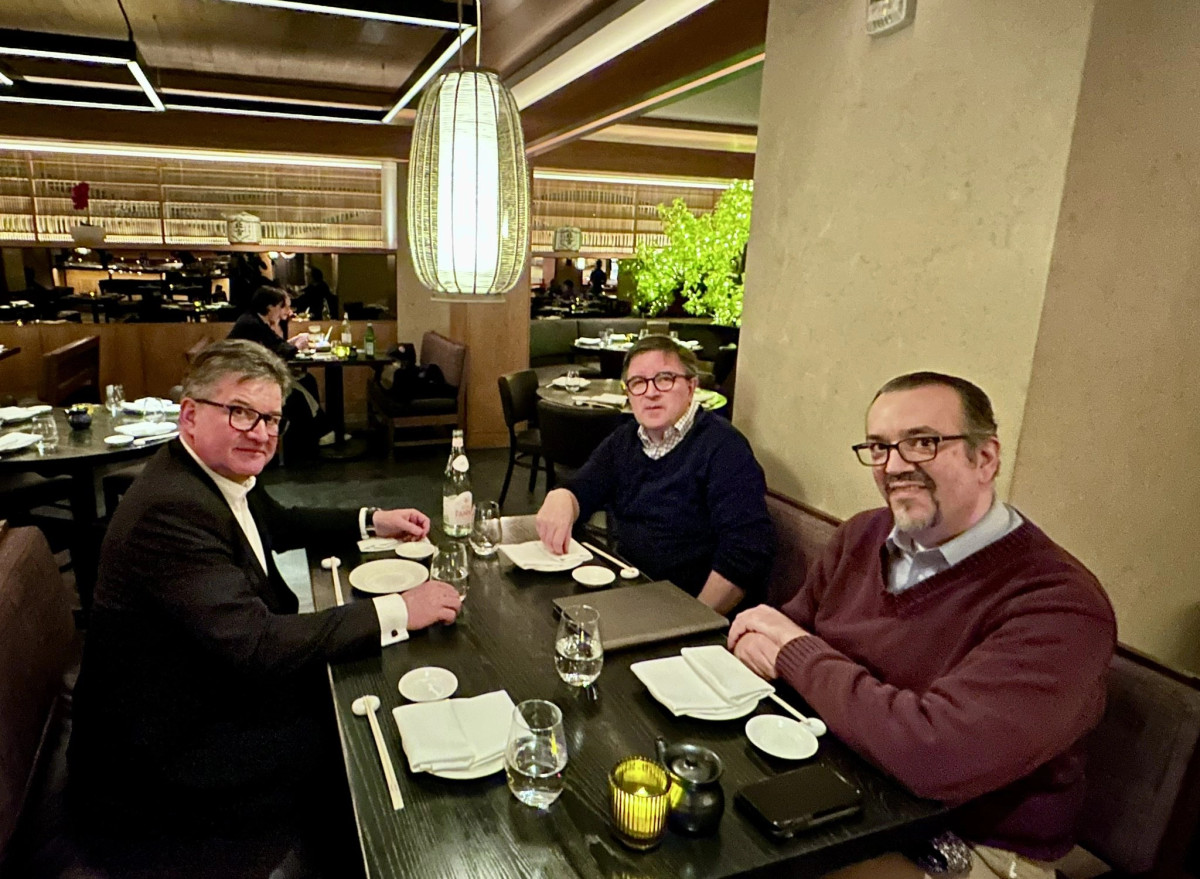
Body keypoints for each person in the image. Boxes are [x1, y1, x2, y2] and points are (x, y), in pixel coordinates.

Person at [68, 340, 462, 870]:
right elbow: (256, 643)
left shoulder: (213, 473)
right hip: (161, 759)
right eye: (240, 412)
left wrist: (373, 520)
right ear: (190, 415)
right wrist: (399, 611)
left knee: (356, 698)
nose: (260, 432)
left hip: (201, 693)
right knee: (359, 747)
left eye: (271, 419)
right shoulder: (171, 509)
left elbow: (282, 521)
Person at [727, 372, 1116, 878]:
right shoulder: (862, 535)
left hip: (970, 845)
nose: (894, 466)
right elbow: (775, 636)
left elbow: (934, 756)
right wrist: (780, 648)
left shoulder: (1059, 604)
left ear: (985, 458)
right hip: (843, 788)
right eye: (879, 447)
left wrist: (795, 653)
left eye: (922, 443)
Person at [536, 335, 773, 614]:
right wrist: (563, 497)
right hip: (633, 593)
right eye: (638, 382)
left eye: (665, 379)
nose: (651, 393)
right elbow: (583, 488)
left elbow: (745, 554)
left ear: (691, 387)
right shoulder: (625, 440)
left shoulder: (724, 448)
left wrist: (694, 619)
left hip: (694, 610)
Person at [228, 285, 338, 451]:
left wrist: (294, 342)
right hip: (245, 380)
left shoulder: (258, 321)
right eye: (282, 307)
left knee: (307, 380)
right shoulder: (251, 323)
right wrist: (297, 346)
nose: (285, 311)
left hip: (254, 373)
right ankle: (319, 433)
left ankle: (318, 432)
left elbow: (276, 347)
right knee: (298, 390)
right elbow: (278, 352)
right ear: (270, 307)